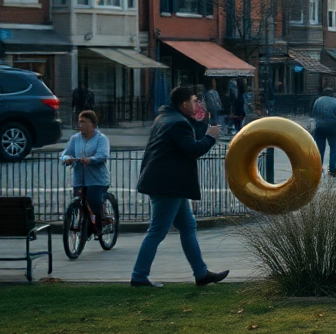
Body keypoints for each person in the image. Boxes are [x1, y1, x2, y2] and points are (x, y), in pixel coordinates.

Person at [130, 86, 229, 288]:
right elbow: (192, 149)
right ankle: (139, 276)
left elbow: (185, 142)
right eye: (193, 101)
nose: (196, 104)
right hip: (168, 185)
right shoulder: (177, 123)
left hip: (168, 183)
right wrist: (211, 137)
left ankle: (201, 274)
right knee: (157, 231)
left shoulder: (165, 118)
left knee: (188, 226)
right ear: (184, 104)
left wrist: (200, 122)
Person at [61, 110, 111, 226]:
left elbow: (103, 155)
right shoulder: (75, 139)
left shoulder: (101, 139)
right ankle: (82, 227)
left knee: (94, 204)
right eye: (79, 122)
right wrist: (67, 158)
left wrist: (90, 160)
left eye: (84, 122)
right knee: (80, 204)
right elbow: (65, 154)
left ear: (92, 124)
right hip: (79, 179)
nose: (80, 125)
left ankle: (100, 223)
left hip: (96, 180)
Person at [311, 87, 336, 177]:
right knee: (333, 148)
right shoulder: (335, 101)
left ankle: (318, 169)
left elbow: (313, 113)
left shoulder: (318, 101)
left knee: (320, 149)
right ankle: (332, 170)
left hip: (320, 127)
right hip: (332, 127)